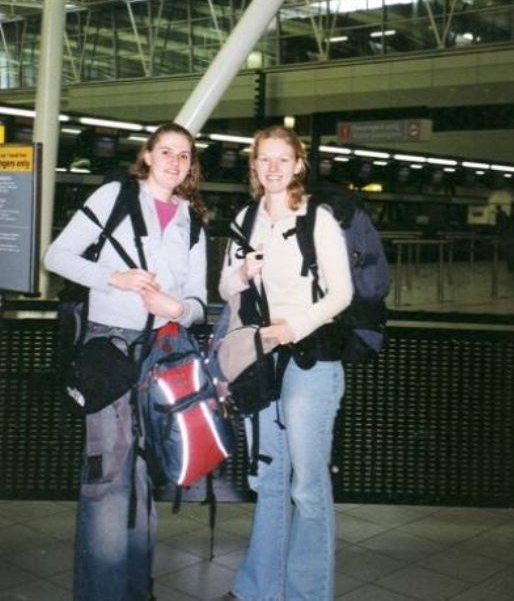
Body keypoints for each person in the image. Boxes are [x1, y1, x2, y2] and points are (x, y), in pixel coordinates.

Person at [44, 122, 208, 601]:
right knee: (108, 475)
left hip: (162, 354)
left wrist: (177, 308)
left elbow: (199, 301)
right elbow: (57, 256)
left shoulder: (192, 222)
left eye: (184, 155)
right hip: (110, 350)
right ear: (148, 155)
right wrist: (114, 277)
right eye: (167, 152)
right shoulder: (114, 197)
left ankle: (135, 589)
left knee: (142, 471)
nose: (175, 162)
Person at [218, 125, 353, 601]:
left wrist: (293, 326)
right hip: (261, 361)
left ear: (298, 165)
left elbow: (342, 293)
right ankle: (260, 589)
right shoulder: (245, 218)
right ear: (253, 166)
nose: (272, 168)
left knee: (307, 486)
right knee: (270, 478)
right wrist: (241, 272)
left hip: (309, 359)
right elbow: (225, 288)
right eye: (264, 159)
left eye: (282, 159)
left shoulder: (317, 219)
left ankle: (307, 594)